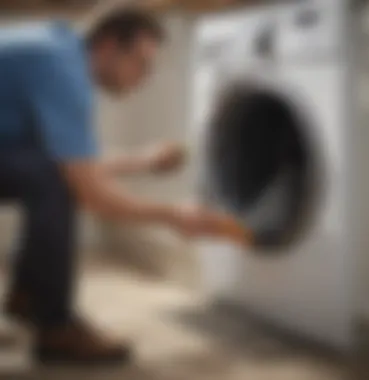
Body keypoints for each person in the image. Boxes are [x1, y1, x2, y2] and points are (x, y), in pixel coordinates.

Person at [0, 8, 244, 366]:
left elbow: (71, 163)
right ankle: (55, 326)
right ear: (109, 46)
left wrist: (143, 160)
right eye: (141, 63)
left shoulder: (58, 50)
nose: (145, 77)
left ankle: (30, 297)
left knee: (50, 173)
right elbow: (88, 192)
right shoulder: (61, 70)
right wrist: (174, 215)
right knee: (55, 182)